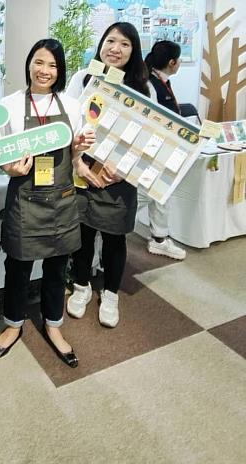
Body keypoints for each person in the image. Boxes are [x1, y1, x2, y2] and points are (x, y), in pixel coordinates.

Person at [0, 39, 94, 367]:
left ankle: (54, 326)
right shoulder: (8, 105)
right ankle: (13, 324)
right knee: (17, 266)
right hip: (24, 199)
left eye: (52, 65)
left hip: (62, 199)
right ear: (29, 64)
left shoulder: (72, 105)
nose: (44, 70)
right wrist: (8, 167)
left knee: (56, 267)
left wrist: (78, 147)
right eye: (38, 62)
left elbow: (76, 154)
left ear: (60, 70)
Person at [65, 22, 151, 328]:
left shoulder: (142, 86)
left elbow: (146, 138)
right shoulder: (82, 77)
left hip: (119, 176)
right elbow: (69, 124)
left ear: (134, 50)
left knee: (115, 238)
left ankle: (111, 293)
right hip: (83, 170)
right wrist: (78, 163)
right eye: (110, 41)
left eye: (124, 44)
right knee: (83, 235)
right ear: (101, 43)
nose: (115, 48)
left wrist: (123, 170)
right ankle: (81, 286)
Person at [143, 41, 186, 260]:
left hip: (165, 150)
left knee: (161, 194)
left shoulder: (162, 82)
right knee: (139, 196)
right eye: (179, 60)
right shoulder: (149, 84)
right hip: (150, 151)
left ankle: (159, 239)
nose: (179, 64)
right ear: (172, 62)